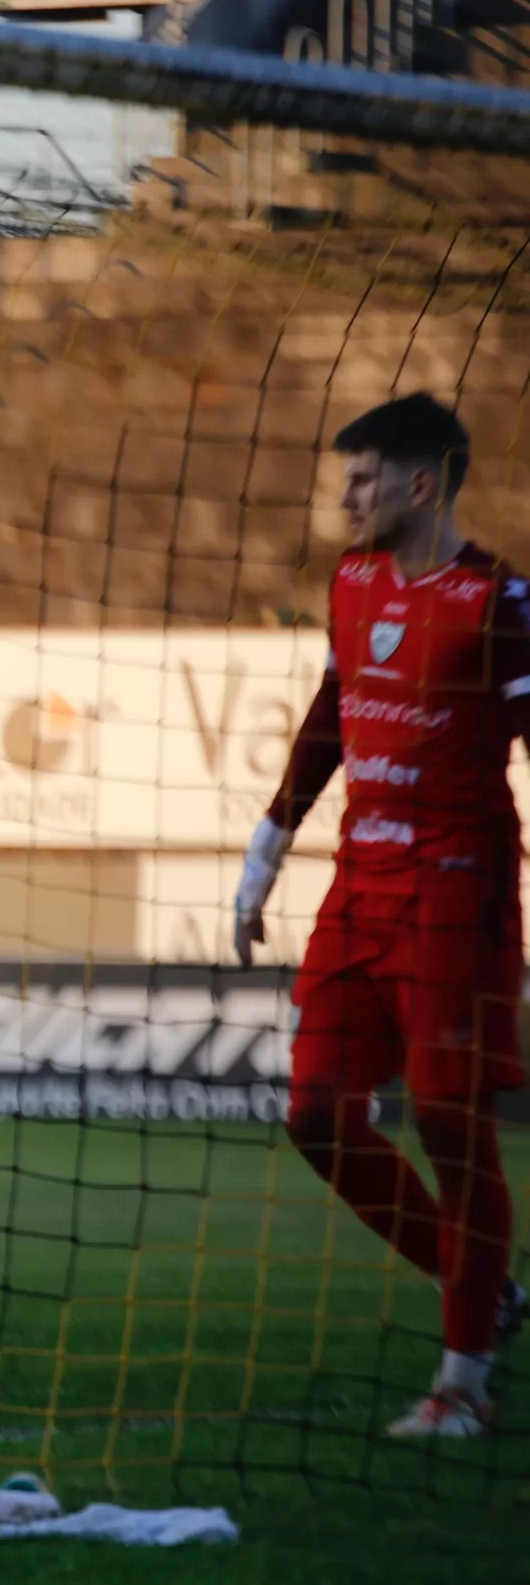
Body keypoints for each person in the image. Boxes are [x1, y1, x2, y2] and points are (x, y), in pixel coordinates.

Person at [235, 392, 530, 1438]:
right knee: (315, 1116)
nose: (346, 500)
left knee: (451, 1127)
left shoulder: (499, 600)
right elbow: (329, 714)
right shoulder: (351, 582)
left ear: (418, 483)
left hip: (459, 892)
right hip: (358, 893)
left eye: (361, 481)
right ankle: (482, 1288)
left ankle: (462, 1380)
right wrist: (266, 847)